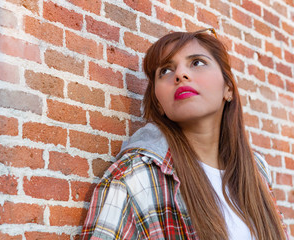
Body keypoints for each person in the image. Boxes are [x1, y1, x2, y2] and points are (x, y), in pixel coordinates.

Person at [80, 29, 288, 240]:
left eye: (197, 62)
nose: (180, 74)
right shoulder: (136, 178)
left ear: (228, 88)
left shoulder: (257, 170)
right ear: (159, 104)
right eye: (166, 71)